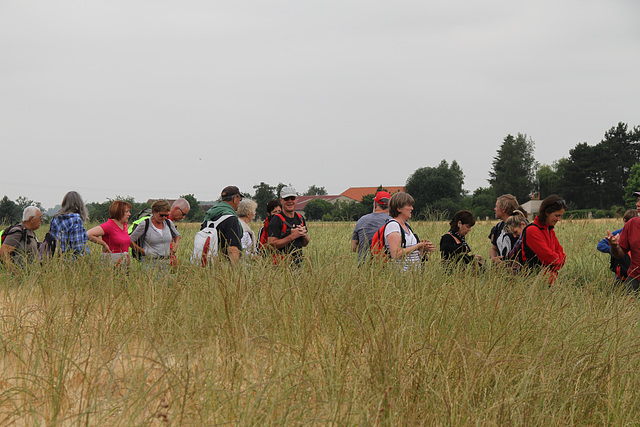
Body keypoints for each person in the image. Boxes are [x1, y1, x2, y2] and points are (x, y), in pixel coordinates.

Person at [519, 195, 568, 283]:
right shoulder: (532, 230)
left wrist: (555, 261)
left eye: (560, 216)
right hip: (534, 283)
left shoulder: (550, 230)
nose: (559, 219)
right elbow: (549, 258)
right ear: (546, 212)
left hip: (550, 283)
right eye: (557, 215)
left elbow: (562, 255)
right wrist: (556, 262)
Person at [383, 192, 435, 271]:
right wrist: (418, 246)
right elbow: (396, 254)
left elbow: (411, 254)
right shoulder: (393, 226)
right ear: (399, 208)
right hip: (401, 276)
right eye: (409, 205)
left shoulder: (406, 225)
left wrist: (422, 251)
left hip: (413, 276)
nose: (412, 208)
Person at [129, 199, 180, 267]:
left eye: (166, 215)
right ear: (154, 212)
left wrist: (176, 245)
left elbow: (177, 235)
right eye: (161, 215)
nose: (164, 217)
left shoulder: (168, 223)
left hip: (165, 263)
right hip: (149, 263)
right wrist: (143, 251)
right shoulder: (145, 224)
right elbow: (129, 241)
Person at [201, 186, 244, 263]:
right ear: (235, 198)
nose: (239, 202)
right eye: (239, 199)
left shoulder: (209, 216)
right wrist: (236, 272)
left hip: (207, 263)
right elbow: (232, 249)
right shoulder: (231, 219)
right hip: (223, 266)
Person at [267, 186, 309, 265]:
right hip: (280, 266)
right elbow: (271, 245)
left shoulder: (300, 218)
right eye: (286, 199)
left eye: (292, 198)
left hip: (298, 264)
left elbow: (305, 243)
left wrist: (304, 235)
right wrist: (292, 236)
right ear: (281, 200)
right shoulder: (276, 220)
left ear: (296, 200)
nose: (290, 201)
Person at [87, 200, 136, 265]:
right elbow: (88, 234)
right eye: (127, 212)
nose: (129, 214)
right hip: (112, 262)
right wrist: (104, 244)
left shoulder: (124, 225)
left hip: (125, 262)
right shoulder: (109, 225)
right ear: (119, 213)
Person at [351, 191, 392, 263]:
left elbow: (354, 247)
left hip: (364, 264)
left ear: (375, 204)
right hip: (386, 265)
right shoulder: (393, 221)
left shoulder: (362, 220)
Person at [597, 209, 637, 281]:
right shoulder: (617, 233)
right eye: (629, 222)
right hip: (620, 277)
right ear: (624, 220)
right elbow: (600, 245)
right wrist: (614, 249)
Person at [0, 206, 42, 271]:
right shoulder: (18, 232)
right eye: (39, 218)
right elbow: (4, 252)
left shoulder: (30, 232)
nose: (41, 220)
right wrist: (15, 273)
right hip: (20, 278)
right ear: (32, 219)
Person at [49, 191, 90, 257]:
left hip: (57, 260)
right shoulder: (75, 220)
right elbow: (78, 247)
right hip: (71, 262)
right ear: (79, 204)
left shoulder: (55, 218)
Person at [489, 194, 520, 263]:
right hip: (501, 271)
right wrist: (494, 258)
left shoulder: (520, 226)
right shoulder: (498, 226)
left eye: (496, 207)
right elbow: (494, 249)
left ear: (504, 209)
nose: (495, 209)